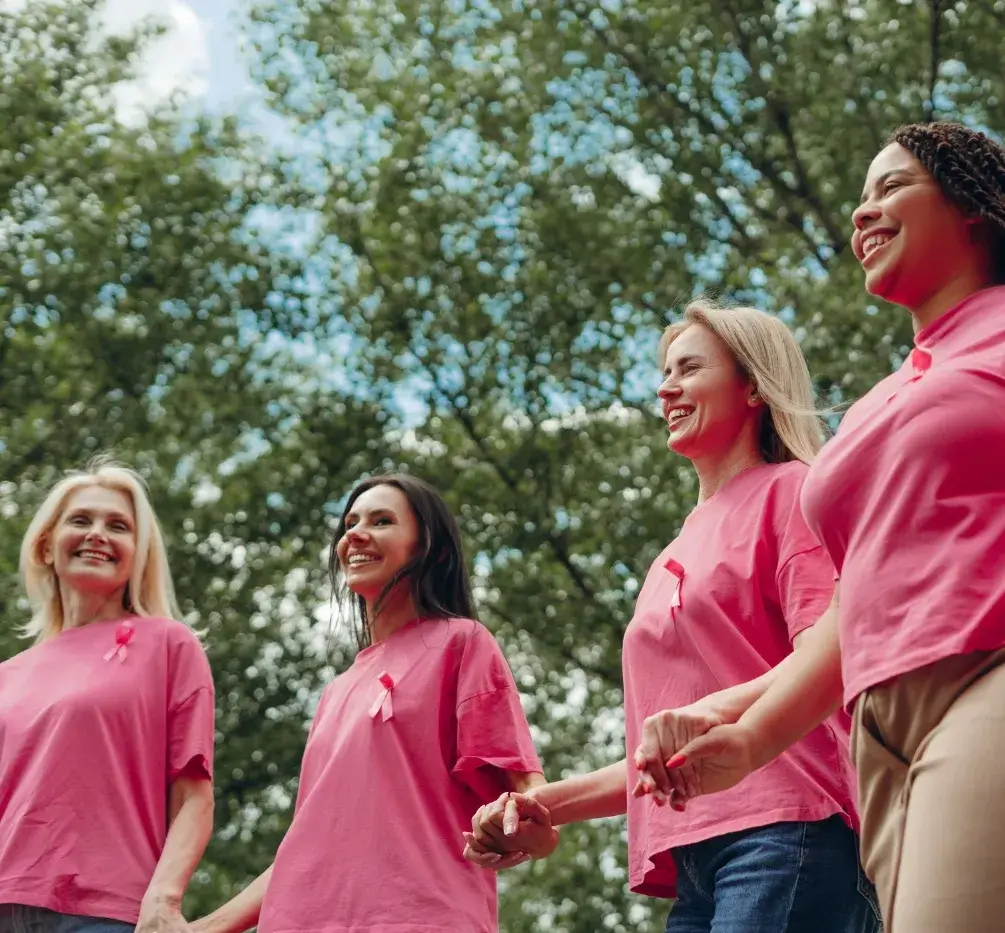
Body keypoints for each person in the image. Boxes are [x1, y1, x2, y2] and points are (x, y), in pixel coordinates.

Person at [635, 122, 1005, 933]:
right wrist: (753, 730)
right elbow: (859, 604)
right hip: (878, 730)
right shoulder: (881, 398)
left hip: (984, 678)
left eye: (890, 187)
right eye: (859, 196)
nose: (861, 211)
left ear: (973, 207)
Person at [463, 301, 880, 932]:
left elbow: (829, 654)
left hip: (790, 834)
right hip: (694, 861)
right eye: (664, 372)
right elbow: (658, 754)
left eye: (688, 368)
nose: (666, 387)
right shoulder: (671, 553)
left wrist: (712, 714)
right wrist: (540, 804)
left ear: (753, 388)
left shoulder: (793, 491)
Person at [193, 474, 543, 933]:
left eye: (381, 521)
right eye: (350, 522)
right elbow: (306, 848)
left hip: (422, 919)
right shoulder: (337, 691)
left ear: (430, 549)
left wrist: (524, 828)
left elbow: (531, 800)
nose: (354, 534)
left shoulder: (461, 644)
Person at [0, 459, 215, 933]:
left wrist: (164, 900)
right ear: (45, 546)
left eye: (117, 526)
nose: (98, 533)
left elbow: (194, 796)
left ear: (137, 553)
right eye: (81, 521)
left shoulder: (168, 644)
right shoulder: (6, 676)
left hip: (105, 913)